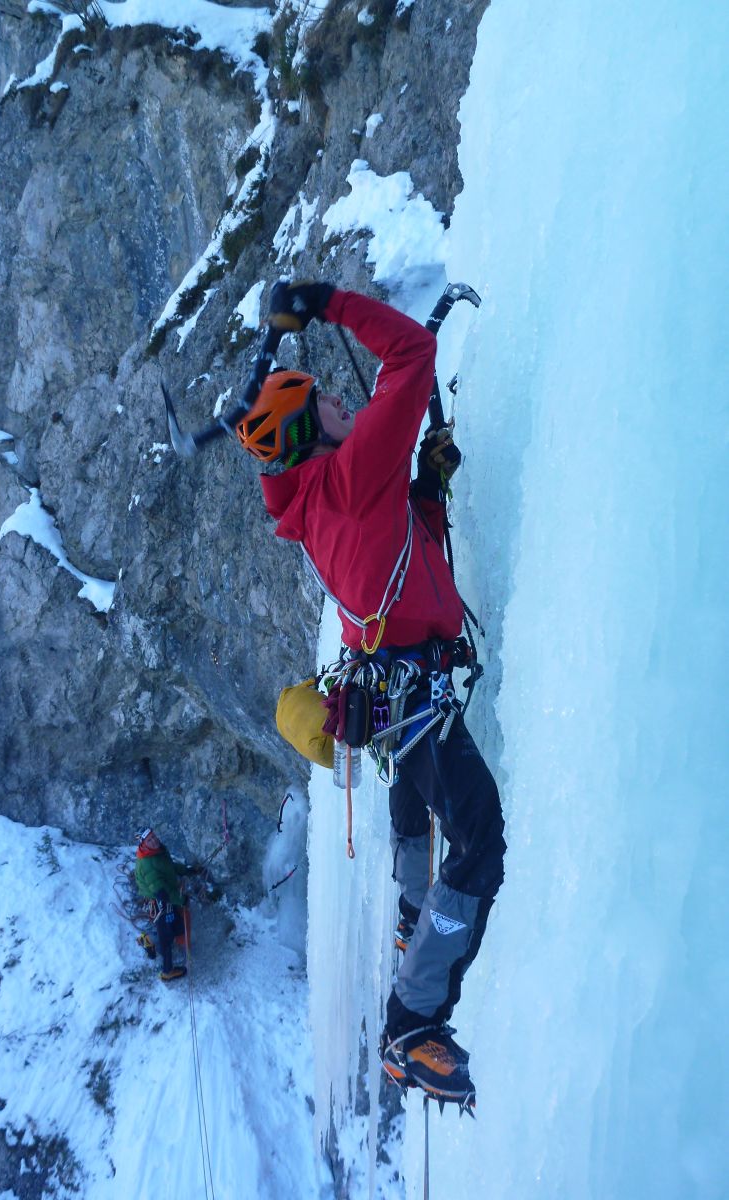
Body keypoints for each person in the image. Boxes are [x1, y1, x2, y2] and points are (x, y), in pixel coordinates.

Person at [236, 281, 506, 1109]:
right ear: (314, 437)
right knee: (481, 842)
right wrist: (326, 302)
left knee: (421, 807)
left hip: (389, 692)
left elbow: (394, 545)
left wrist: (424, 488)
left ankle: (408, 916)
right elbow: (412, 357)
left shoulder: (307, 497)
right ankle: (412, 1021)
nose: (345, 402)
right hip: (408, 694)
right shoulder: (351, 474)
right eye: (325, 403)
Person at [134, 829, 192, 982]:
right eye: (149, 840)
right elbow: (162, 892)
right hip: (161, 903)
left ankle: (150, 940)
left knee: (178, 927)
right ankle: (167, 971)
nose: (154, 840)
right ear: (143, 844)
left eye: (154, 837)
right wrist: (181, 900)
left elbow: (169, 867)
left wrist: (188, 870)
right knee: (166, 938)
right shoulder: (147, 864)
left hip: (165, 899)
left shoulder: (157, 851)